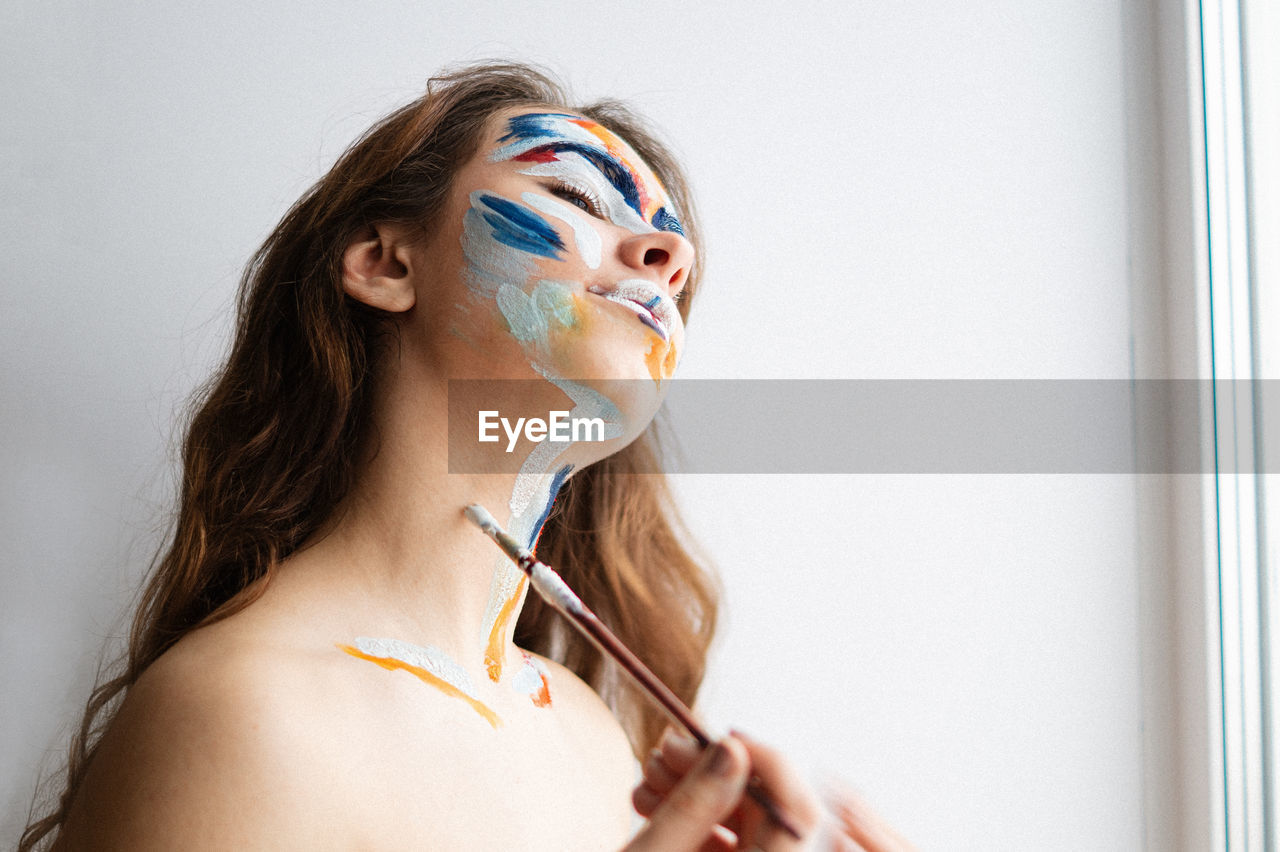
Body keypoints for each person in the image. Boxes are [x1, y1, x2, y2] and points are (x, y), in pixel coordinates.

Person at [21, 62, 913, 851]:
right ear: (384, 263)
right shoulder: (238, 713)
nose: (670, 260)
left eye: (673, 259)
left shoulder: (587, 732)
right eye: (575, 199)